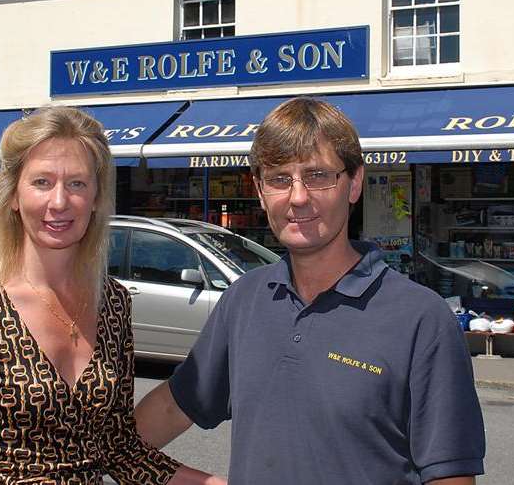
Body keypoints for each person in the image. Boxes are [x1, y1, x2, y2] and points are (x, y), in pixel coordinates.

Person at [135, 97, 486, 484]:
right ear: (260, 190)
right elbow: (172, 408)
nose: (298, 197)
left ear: (354, 184)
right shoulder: (244, 301)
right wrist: (81, 459)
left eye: (318, 176)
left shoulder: (421, 319)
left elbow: (450, 477)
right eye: (279, 179)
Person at [0, 106, 224, 485]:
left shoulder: (114, 304)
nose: (59, 202)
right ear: (13, 194)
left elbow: (118, 448)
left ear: (96, 197)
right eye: (42, 182)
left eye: (77, 183)